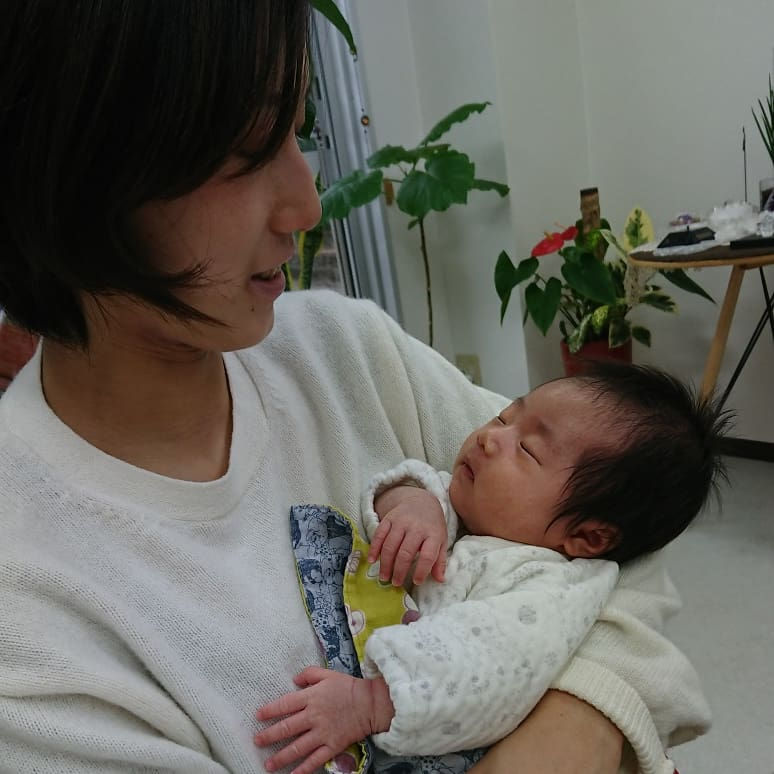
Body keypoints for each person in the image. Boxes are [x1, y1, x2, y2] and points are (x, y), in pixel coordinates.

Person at [0, 2, 710, 773]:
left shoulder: (347, 350)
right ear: (75, 168)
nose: (307, 206)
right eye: (245, 151)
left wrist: (575, 723)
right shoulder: (29, 599)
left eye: (296, 133)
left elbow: (622, 533)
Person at [255, 364, 728, 773]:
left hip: (443, 737)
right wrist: (411, 504)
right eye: (504, 416)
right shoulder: (475, 512)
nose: (488, 437)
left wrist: (369, 705)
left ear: (586, 538)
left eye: (528, 450)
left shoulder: (547, 588)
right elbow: (414, 485)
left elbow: (485, 670)